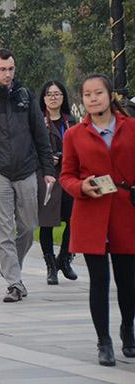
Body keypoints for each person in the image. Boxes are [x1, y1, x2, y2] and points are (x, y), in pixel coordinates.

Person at [0, 49, 55, 303]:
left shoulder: (26, 98)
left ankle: (10, 267)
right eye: (2, 69)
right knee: (4, 230)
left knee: (28, 227)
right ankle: (14, 283)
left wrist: (48, 170)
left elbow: (41, 137)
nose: (7, 74)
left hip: (26, 171)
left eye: (11, 69)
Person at [60, 73, 135, 366]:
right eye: (88, 94)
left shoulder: (131, 128)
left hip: (126, 211)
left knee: (128, 281)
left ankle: (127, 330)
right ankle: (103, 341)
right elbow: (66, 175)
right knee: (99, 280)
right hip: (91, 213)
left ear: (110, 96)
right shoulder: (74, 134)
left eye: (98, 93)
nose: (93, 99)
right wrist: (81, 187)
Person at [37, 81, 78, 285]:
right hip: (47, 177)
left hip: (69, 175)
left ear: (63, 97)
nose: (53, 98)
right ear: (43, 98)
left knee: (74, 219)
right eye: (49, 94)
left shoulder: (71, 120)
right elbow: (29, 148)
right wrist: (45, 159)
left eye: (57, 94)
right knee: (47, 222)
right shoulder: (37, 121)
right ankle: (50, 266)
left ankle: (65, 257)